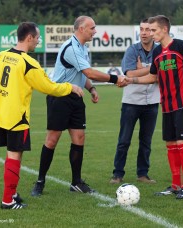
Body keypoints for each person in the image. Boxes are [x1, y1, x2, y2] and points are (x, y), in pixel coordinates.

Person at [0, 22, 84, 210]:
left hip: (0, 115)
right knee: (14, 155)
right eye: (37, 38)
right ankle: (7, 200)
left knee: (12, 155)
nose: (38, 41)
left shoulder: (0, 57)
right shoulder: (28, 62)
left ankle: (11, 193)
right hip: (17, 118)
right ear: (29, 38)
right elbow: (49, 87)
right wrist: (71, 87)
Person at [31, 16, 124, 196]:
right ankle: (40, 182)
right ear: (81, 29)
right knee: (52, 140)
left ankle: (76, 182)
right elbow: (89, 71)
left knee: (79, 138)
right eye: (92, 28)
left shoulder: (82, 47)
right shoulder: (71, 47)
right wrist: (115, 78)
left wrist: (91, 88)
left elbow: (82, 74)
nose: (95, 31)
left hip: (76, 97)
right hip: (59, 96)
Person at [123, 15, 183, 199]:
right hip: (167, 105)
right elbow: (153, 77)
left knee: (181, 143)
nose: (150, 34)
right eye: (149, 30)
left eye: (153, 30)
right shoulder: (157, 52)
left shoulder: (181, 46)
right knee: (170, 144)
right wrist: (132, 79)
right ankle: (175, 185)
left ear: (164, 29)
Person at [110, 19, 160, 185]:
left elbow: (160, 77)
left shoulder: (160, 50)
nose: (144, 32)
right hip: (131, 102)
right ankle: (117, 174)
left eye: (148, 29)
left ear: (153, 32)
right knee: (124, 140)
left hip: (152, 102)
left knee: (146, 141)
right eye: (142, 29)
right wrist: (150, 68)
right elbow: (129, 74)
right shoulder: (132, 50)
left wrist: (141, 70)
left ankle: (142, 174)